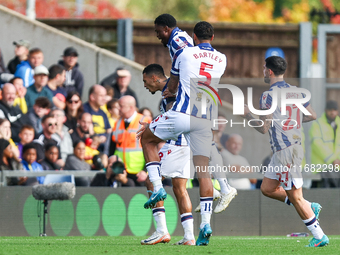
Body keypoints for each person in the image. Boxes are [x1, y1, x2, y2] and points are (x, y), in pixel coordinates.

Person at [139, 21, 227, 246]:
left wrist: (170, 90)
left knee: (146, 138)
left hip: (182, 117)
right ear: (213, 37)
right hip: (204, 119)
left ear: (194, 37)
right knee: (202, 173)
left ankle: (158, 190)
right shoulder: (222, 59)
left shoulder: (185, 53)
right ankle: (204, 224)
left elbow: (173, 84)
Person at [242, 56, 328, 247]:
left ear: (269, 71)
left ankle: (319, 235)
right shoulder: (297, 92)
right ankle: (310, 206)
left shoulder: (267, 96)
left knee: (296, 197)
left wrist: (247, 114)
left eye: (264, 68)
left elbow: (263, 128)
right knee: (267, 188)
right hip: (289, 149)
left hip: (285, 151)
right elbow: (312, 115)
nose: (264, 71)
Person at [156, 13, 237, 216]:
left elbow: (184, 68)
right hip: (205, 104)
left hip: (190, 105)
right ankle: (221, 189)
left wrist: (171, 89)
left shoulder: (180, 45)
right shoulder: (220, 57)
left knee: (152, 137)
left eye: (158, 31)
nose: (158, 36)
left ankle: (156, 184)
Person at [141, 64, 195, 245]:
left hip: (177, 144)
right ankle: (189, 236)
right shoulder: (175, 89)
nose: (144, 85)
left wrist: (151, 127)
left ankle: (161, 231)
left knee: (152, 180)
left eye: (145, 80)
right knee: (180, 189)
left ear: (154, 78)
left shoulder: (169, 92)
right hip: (187, 145)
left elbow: (174, 116)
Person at [110, 95, 150, 187]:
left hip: (139, 174)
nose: (118, 109)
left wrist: (145, 171)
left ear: (131, 107)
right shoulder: (117, 123)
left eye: (121, 106)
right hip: (120, 172)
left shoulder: (144, 122)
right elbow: (112, 149)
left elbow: (151, 149)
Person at [309, 100, 340, 188]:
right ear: (325, 110)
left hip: (337, 171)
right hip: (322, 169)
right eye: (330, 110)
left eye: (334, 110)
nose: (332, 112)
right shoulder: (317, 124)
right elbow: (317, 144)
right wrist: (333, 159)